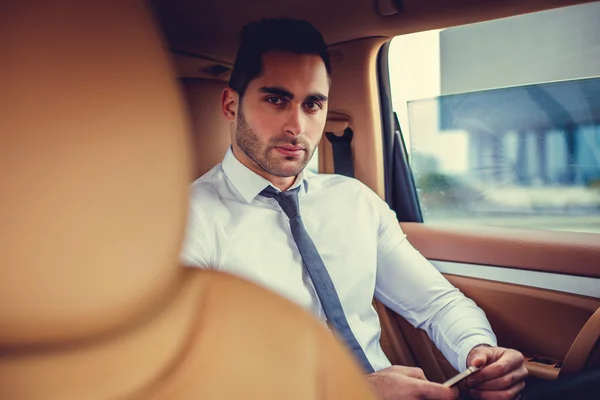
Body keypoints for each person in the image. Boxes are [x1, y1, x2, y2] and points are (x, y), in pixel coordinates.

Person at [181, 17, 528, 400]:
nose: (297, 125)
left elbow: (436, 303)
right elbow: (188, 376)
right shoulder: (186, 220)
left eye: (312, 104)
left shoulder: (355, 201)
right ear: (231, 104)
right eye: (276, 100)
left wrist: (476, 351)